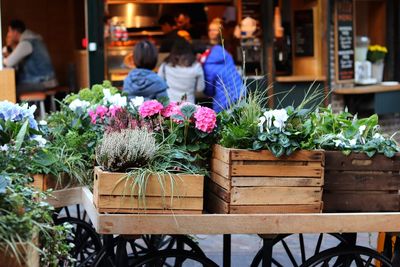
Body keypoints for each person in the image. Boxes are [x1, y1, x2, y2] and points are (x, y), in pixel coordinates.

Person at [201, 19, 244, 112]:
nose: (211, 32)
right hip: (237, 91)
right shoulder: (219, 49)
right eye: (210, 30)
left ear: (221, 32)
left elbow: (209, 77)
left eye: (214, 30)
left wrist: (207, 92)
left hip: (226, 97)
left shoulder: (216, 51)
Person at [3, 19, 57, 94]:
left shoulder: (26, 43)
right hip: (48, 80)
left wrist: (3, 59)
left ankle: (25, 105)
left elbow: (9, 62)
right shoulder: (34, 39)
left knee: (10, 90)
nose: (8, 34)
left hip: (42, 82)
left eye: (9, 31)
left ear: (15, 32)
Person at [158, 39, 205, 104]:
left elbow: (159, 83)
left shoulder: (166, 65)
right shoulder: (196, 66)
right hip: (189, 106)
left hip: (170, 105)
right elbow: (200, 88)